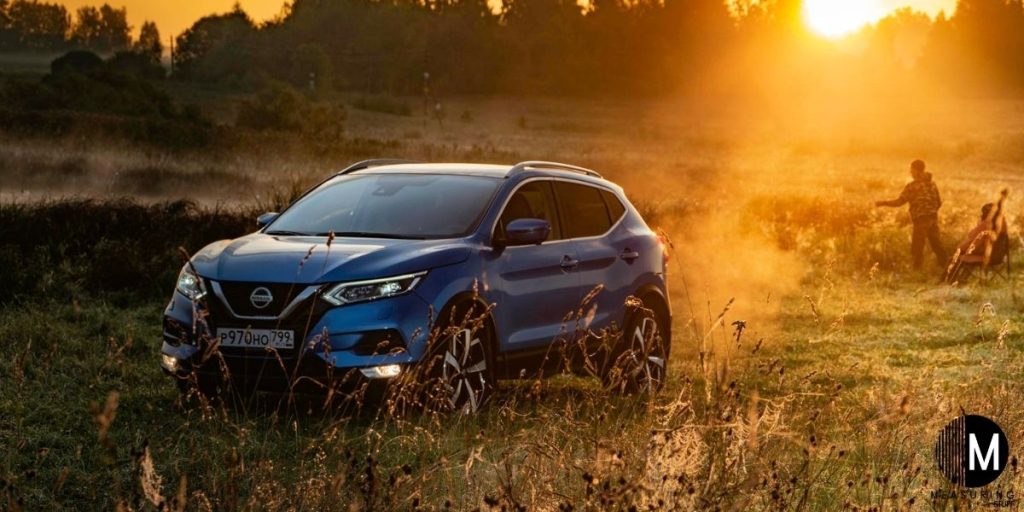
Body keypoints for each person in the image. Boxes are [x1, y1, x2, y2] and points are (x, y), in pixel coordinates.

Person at [875, 160, 948, 269]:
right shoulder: (932, 184)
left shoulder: (912, 186)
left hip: (920, 219)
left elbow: (899, 202)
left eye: (911, 170)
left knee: (917, 246)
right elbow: (938, 202)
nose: (910, 172)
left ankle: (916, 270)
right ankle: (947, 266)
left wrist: (883, 203)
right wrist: (931, 211)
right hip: (933, 217)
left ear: (916, 170)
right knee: (937, 244)